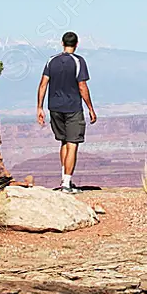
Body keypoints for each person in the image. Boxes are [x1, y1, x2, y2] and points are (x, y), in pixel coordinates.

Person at [37, 31, 97, 193]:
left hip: (54, 107)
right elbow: (82, 86)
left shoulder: (52, 61)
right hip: (72, 108)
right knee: (72, 144)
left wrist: (39, 107)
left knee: (63, 142)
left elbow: (43, 84)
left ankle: (65, 180)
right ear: (76, 44)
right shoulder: (78, 62)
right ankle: (66, 184)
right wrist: (90, 108)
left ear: (62, 43)